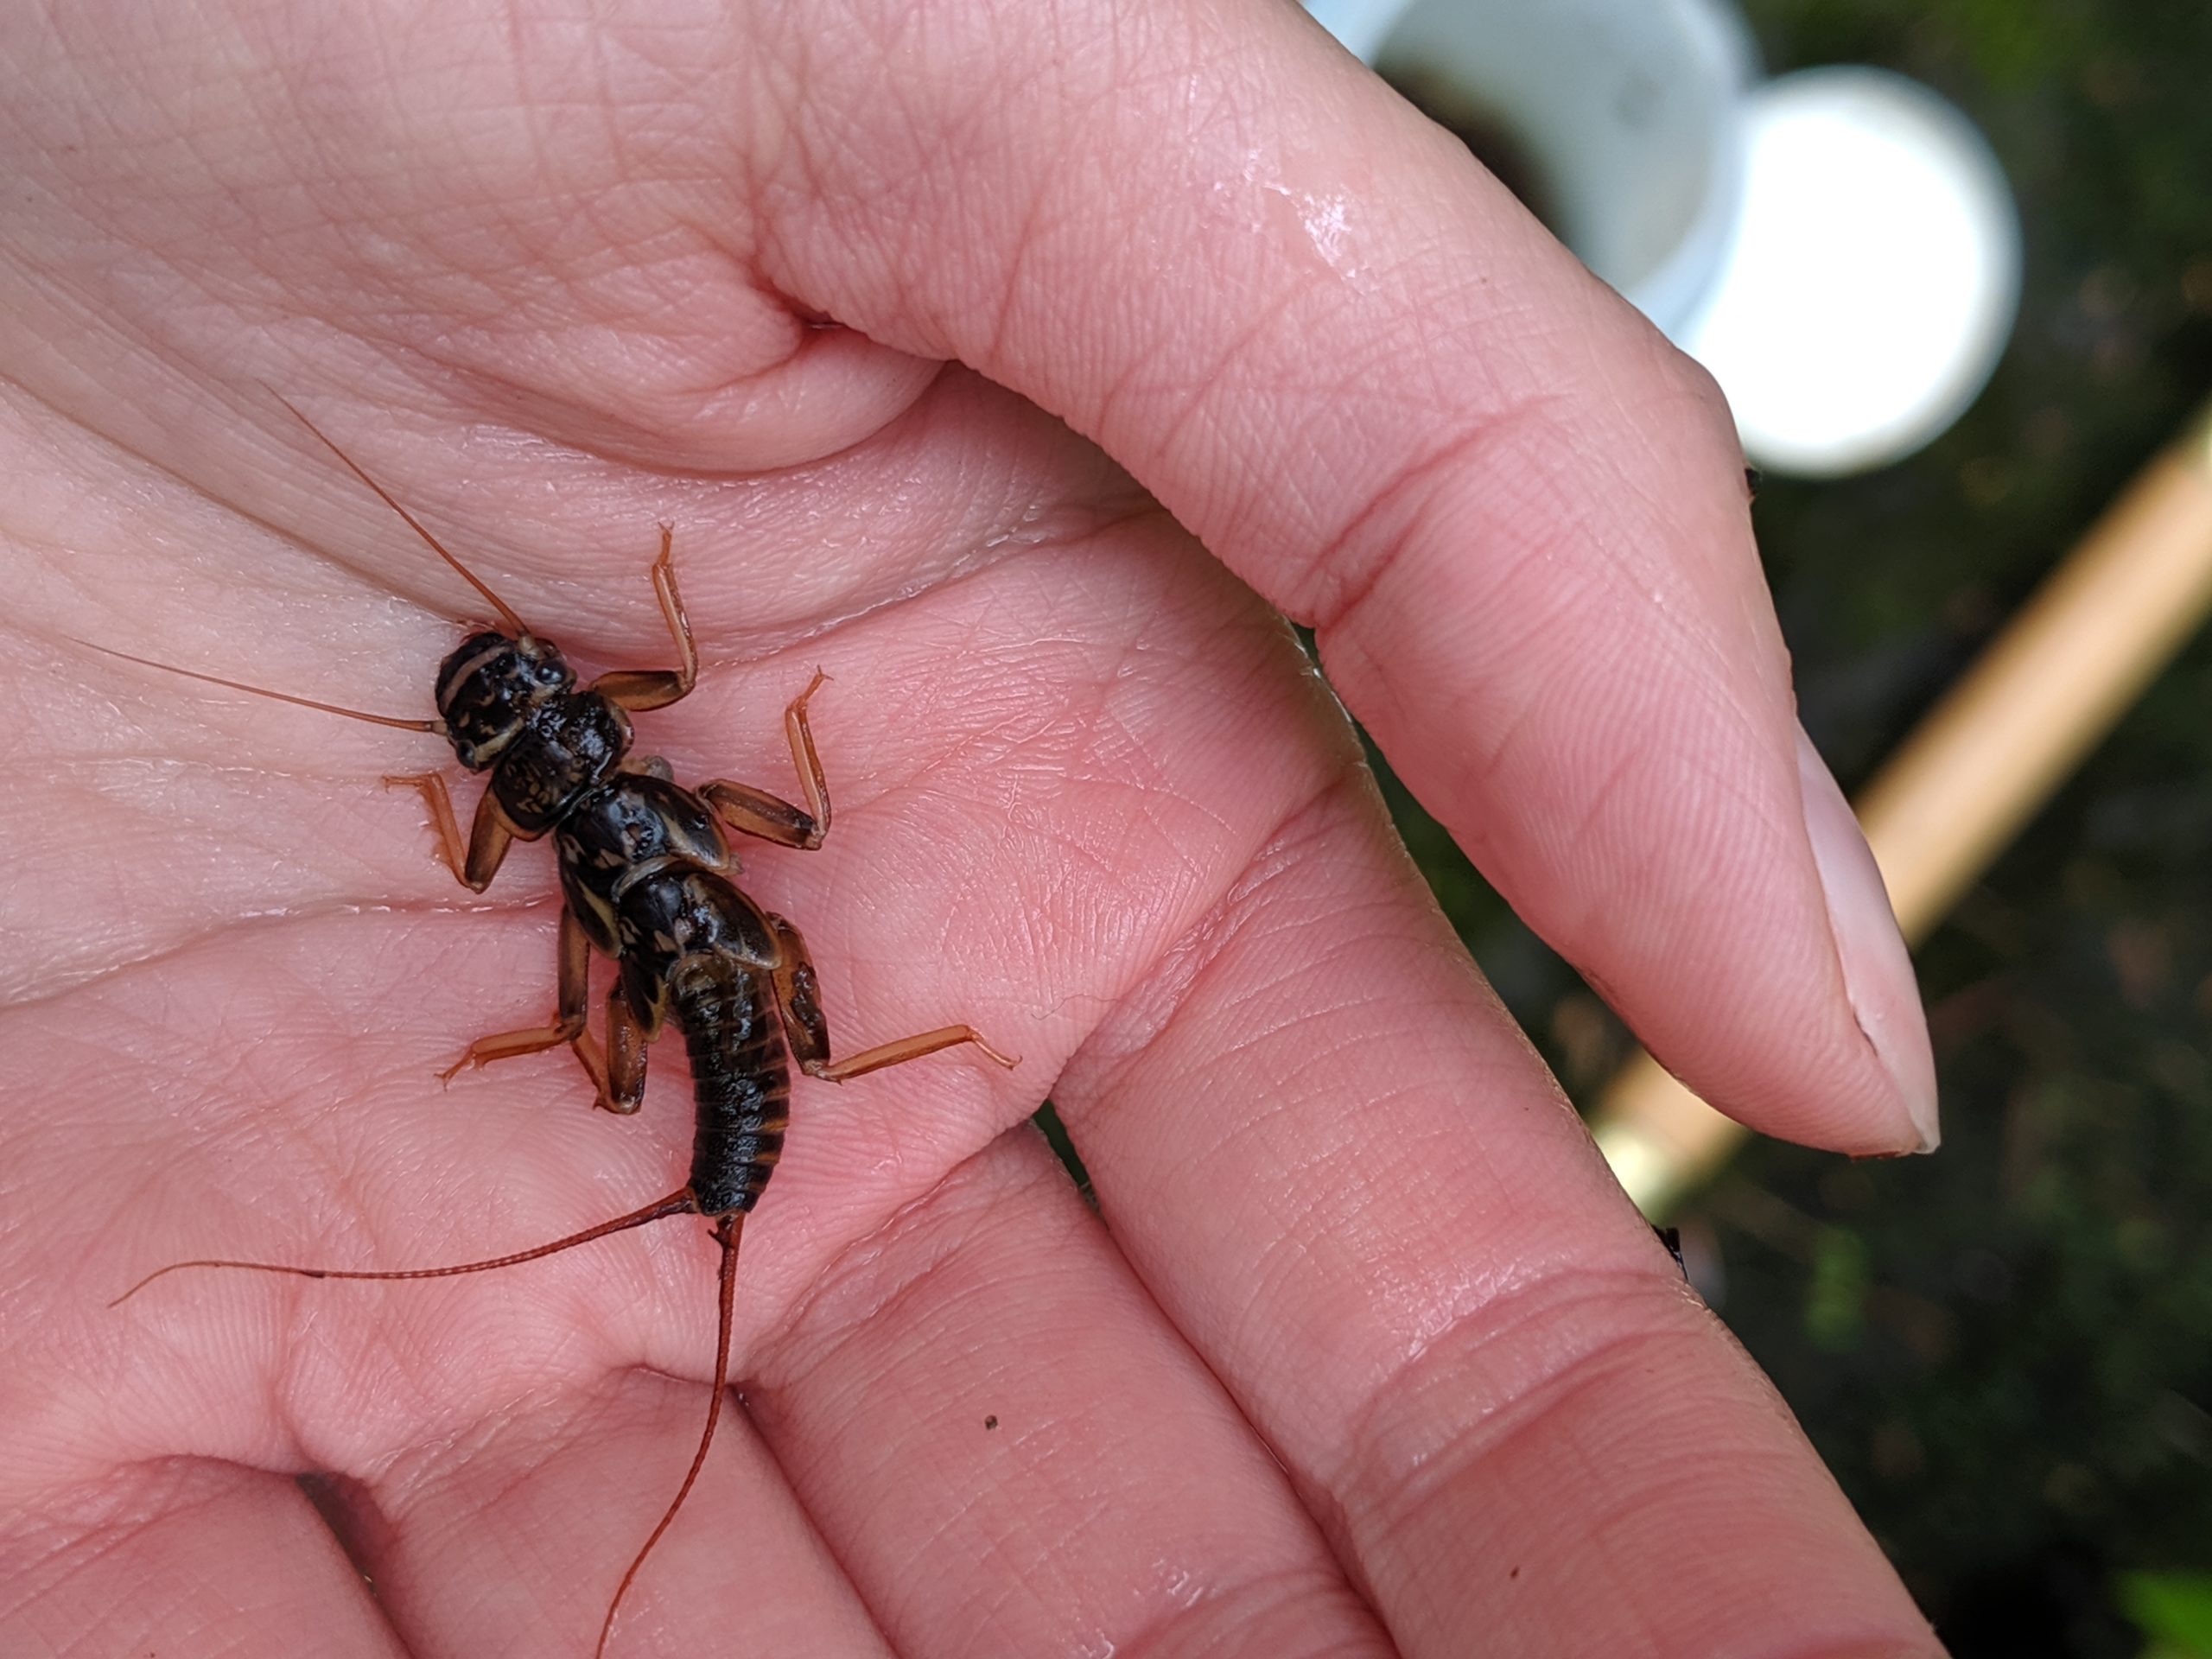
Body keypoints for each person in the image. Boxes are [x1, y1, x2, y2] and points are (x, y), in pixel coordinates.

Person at [0, 1, 1942, 1653]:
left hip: (681, 954)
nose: (539, 725)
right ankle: (761, 1099)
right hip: (695, 934)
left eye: (526, 726)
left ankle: (732, 1117)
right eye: (523, 729)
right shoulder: (632, 752)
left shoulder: (544, 813)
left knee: (684, 1017)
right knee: (725, 975)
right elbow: (772, 796)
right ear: (563, 736)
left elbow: (614, 827)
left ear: (537, 755)